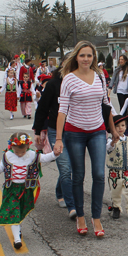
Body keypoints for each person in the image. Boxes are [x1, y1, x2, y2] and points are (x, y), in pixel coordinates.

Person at [54, 41, 119, 238]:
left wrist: (113, 129)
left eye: (89, 56)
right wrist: (58, 138)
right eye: (82, 55)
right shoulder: (69, 79)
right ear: (76, 57)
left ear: (94, 58)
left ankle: (96, 217)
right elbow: (62, 110)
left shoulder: (99, 76)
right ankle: (81, 216)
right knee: (79, 175)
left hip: (98, 131)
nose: (86, 59)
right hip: (75, 132)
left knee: (99, 174)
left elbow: (105, 103)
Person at [0, 132, 59, 249]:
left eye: (22, 152)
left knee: (21, 211)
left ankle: (18, 229)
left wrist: (55, 154)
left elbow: (46, 158)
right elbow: (1, 165)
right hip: (11, 189)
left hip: (26, 189)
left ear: (28, 146)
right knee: (13, 212)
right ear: (11, 147)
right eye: (17, 152)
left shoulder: (32, 154)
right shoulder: (8, 155)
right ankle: (17, 239)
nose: (20, 154)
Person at [33, 55, 77, 218]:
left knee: (70, 167)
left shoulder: (79, 82)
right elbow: (42, 108)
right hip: (55, 130)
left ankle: (59, 191)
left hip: (74, 131)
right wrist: (38, 131)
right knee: (65, 167)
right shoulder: (53, 84)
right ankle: (72, 206)